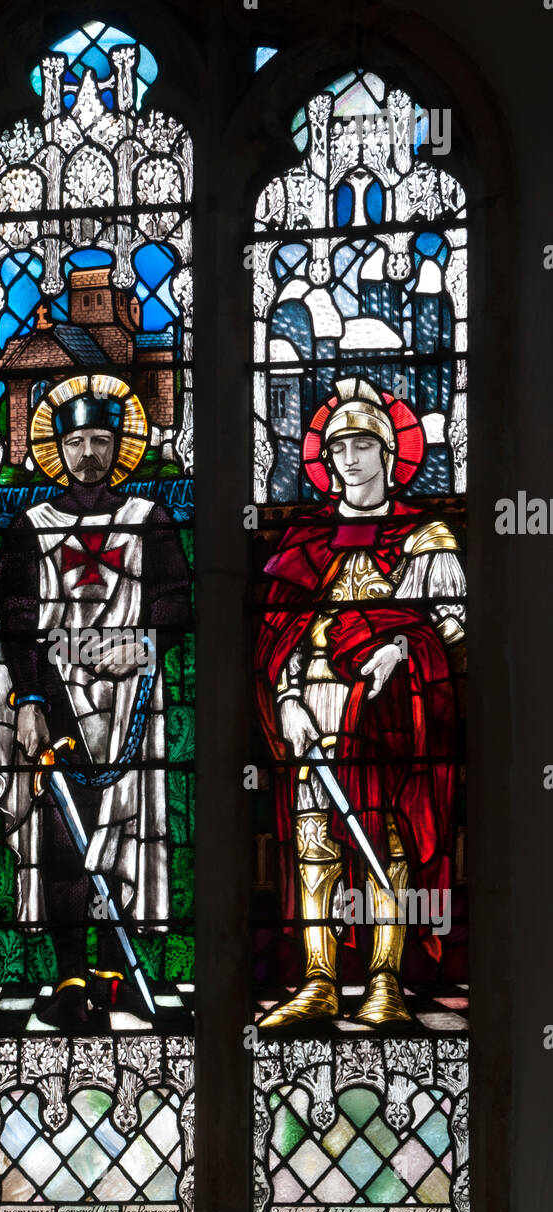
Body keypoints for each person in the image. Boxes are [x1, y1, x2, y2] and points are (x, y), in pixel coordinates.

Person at [254, 378, 465, 1029]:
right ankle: (317, 980)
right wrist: (284, 699)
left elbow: (453, 634)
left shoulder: (420, 537)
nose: (349, 459)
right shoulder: (304, 540)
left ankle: (384, 979)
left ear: (387, 452)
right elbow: (278, 635)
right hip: (313, 711)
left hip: (393, 716)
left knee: (390, 843)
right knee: (313, 846)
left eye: (363, 446)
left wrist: (403, 645)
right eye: (338, 446)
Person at [0, 376, 191, 1031]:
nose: (87, 455)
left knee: (127, 834)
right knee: (61, 837)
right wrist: (27, 700)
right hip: (57, 699)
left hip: (132, 701)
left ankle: (115, 973)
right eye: (74, 441)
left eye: (99, 440)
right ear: (56, 448)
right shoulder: (29, 527)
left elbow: (173, 601)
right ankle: (70, 974)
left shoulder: (149, 519)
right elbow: (14, 619)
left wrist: (141, 643)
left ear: (118, 446)